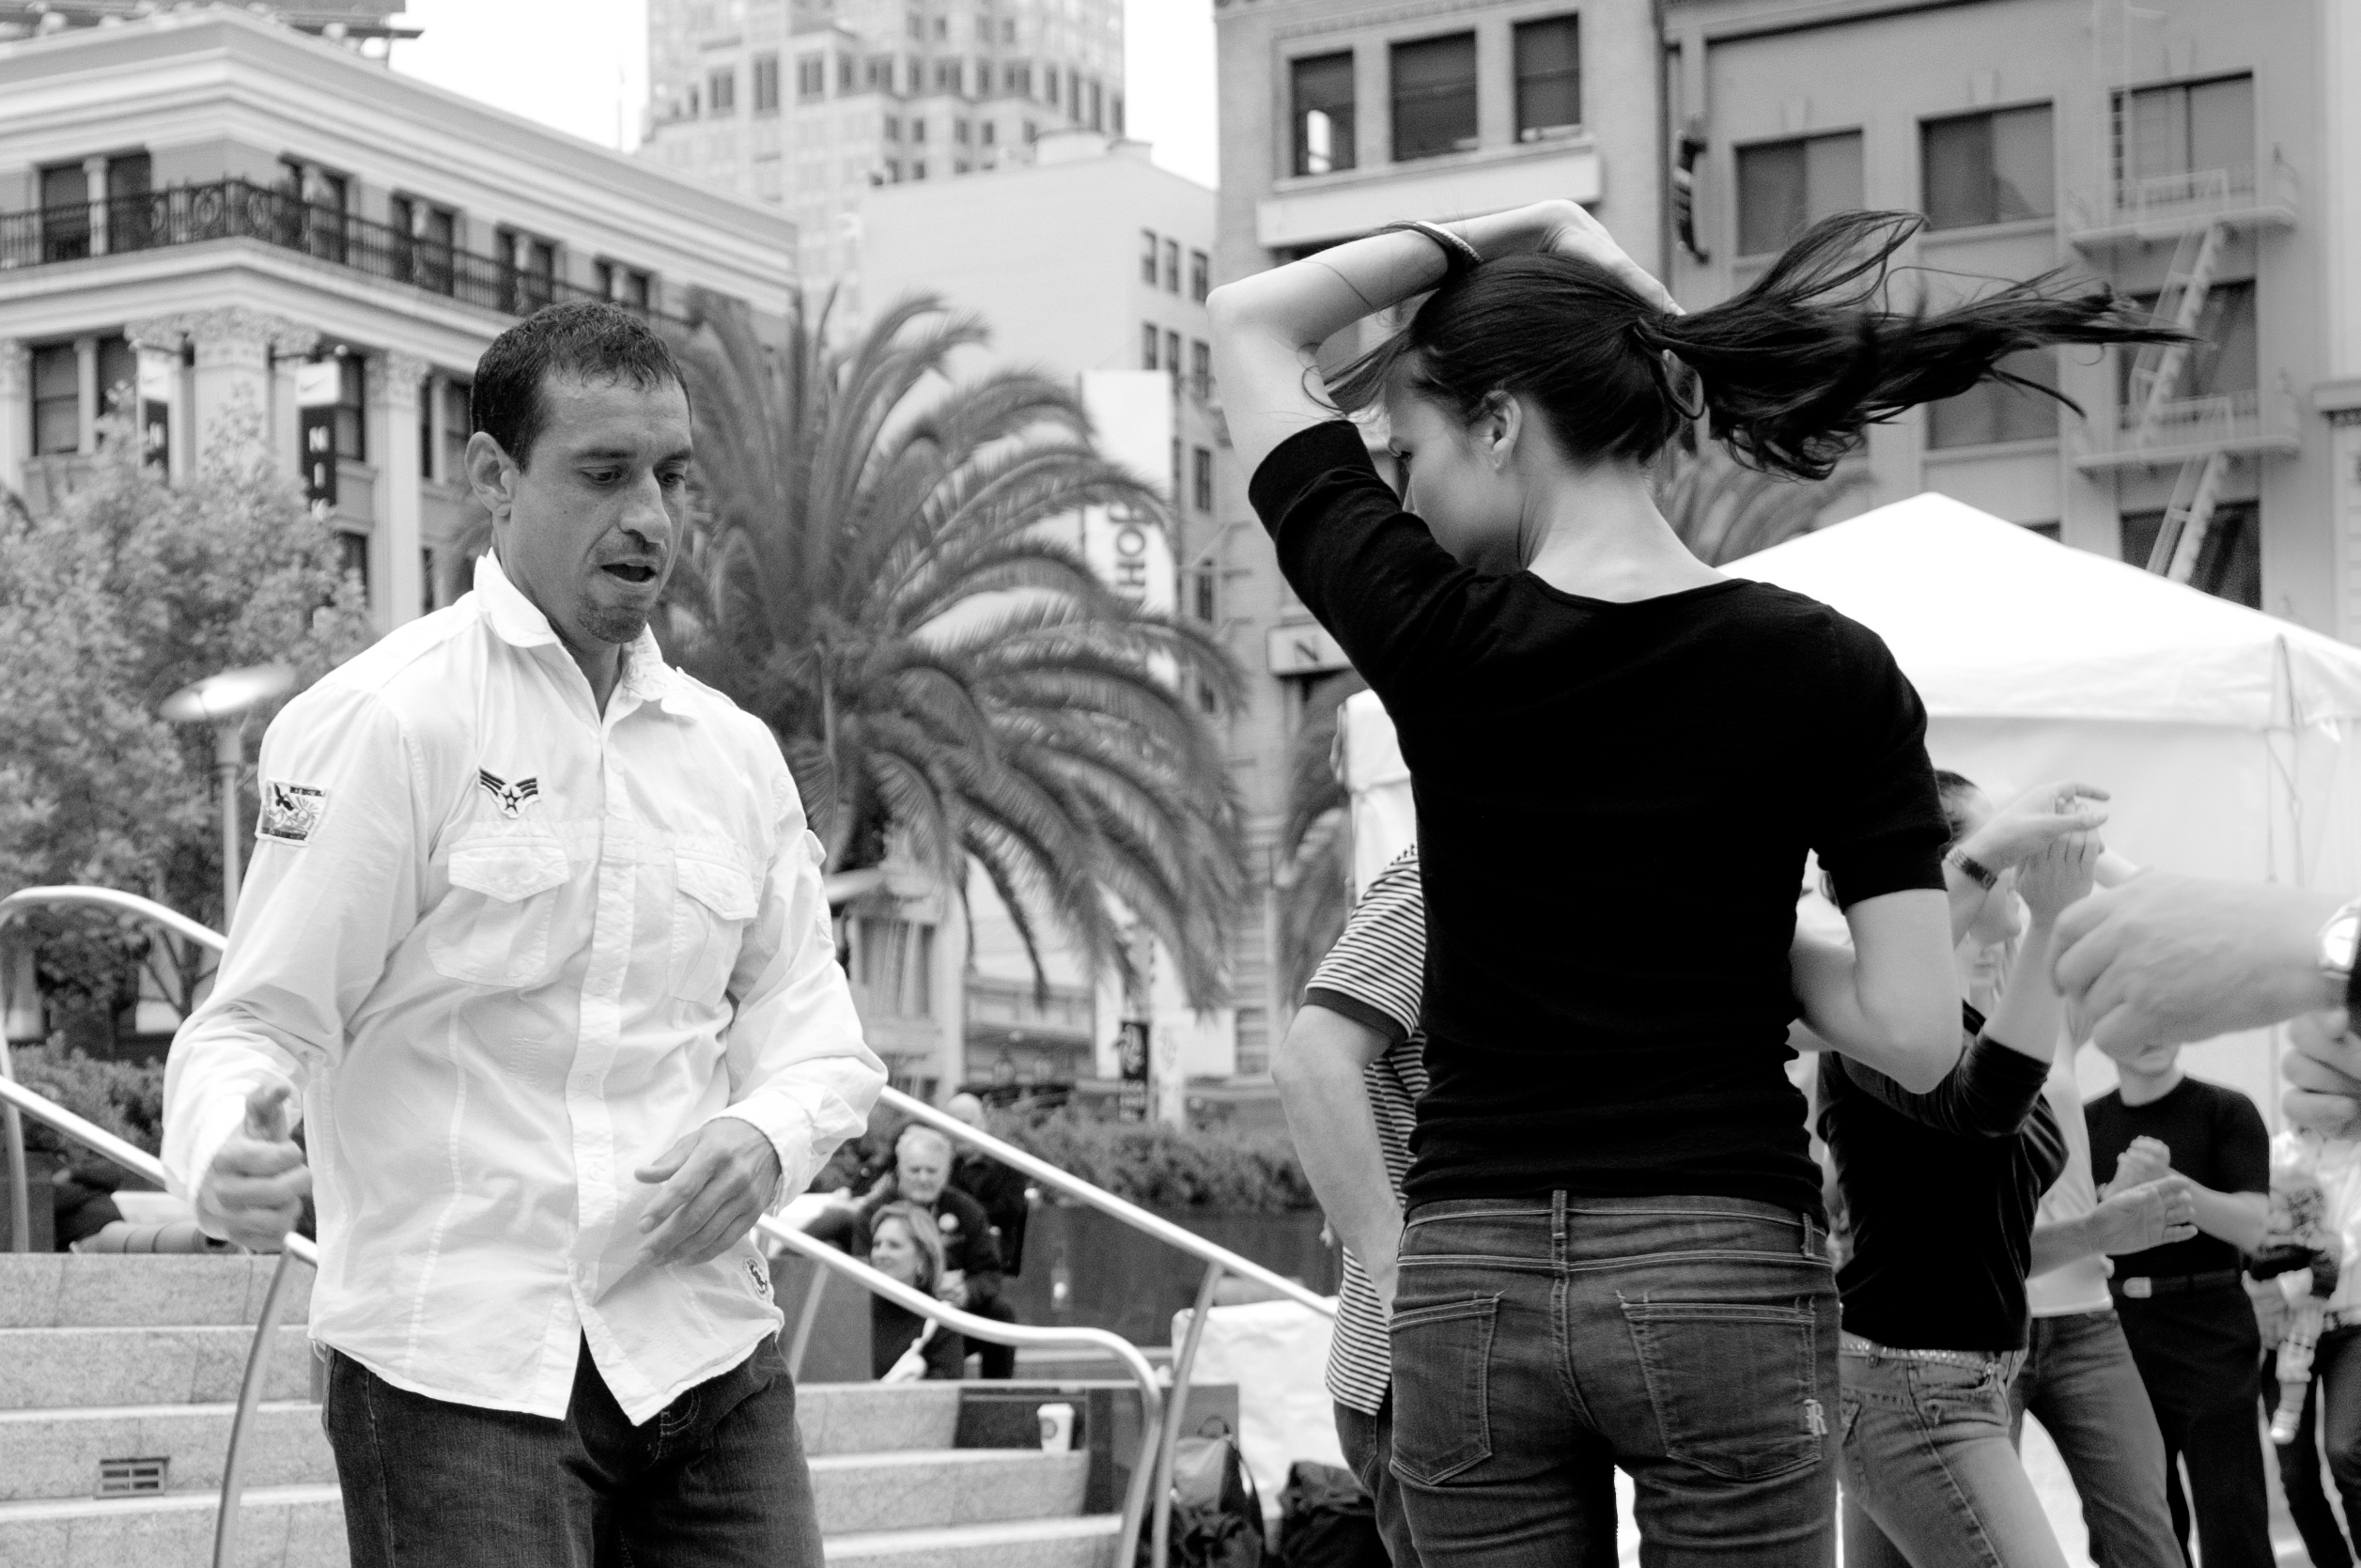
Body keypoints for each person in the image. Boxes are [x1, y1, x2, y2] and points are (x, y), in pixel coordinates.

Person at [1211, 194, 2166, 1562]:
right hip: (1718, 1263)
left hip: (1473, 1265)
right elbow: (1911, 1036)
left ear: (1499, 423)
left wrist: (1517, 229)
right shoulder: (1829, 669)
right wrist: (1729, 937)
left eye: (1409, 450)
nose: (1404, 493)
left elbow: (1251, 320)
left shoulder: (1433, 631)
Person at [161, 301, 885, 1568]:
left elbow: (815, 1035)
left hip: (706, 1358)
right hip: (456, 1371)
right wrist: (221, 1150)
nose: (650, 516)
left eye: (671, 476)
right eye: (604, 473)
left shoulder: (733, 755)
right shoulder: (386, 720)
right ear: (494, 477)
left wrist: (767, 1136)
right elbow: (254, 1022)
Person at [1814, 802, 2094, 1568]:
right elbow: (1989, 1105)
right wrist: (2047, 923)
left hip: (1947, 1374)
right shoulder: (1877, 1026)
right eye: (2001, 837)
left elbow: (1982, 1209)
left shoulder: (1964, 1017)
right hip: (1912, 1375)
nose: (2025, 851)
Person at [1274, 844, 1431, 1568]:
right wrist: (1397, 1270)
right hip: (1413, 1362)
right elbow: (1308, 1063)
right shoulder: (1431, 875)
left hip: (1451, 1343)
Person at [2086, 1035, 2274, 1568]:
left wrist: (2166, 1181)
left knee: (2232, 1512)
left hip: (2211, 1324)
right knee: (2139, 1521)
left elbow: (2252, 1227)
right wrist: (2119, 1191)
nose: (2151, 1034)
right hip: (2116, 1331)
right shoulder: (2083, 1122)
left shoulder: (2226, 1110)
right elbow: (2076, 1240)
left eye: (2163, 1018)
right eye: (2136, 1021)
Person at [2010, 1051, 2192, 1568]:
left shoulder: (2058, 1013)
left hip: (2087, 1321)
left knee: (2146, 1535)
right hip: (1982, 1324)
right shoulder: (1923, 1017)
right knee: (1991, 1543)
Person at [862, 1124, 1017, 1377]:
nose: (923, 1178)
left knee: (1000, 1313)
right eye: (915, 1170)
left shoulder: (967, 1211)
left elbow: (990, 1273)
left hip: (950, 1308)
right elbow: (861, 1269)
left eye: (932, 1170)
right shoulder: (872, 1213)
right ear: (899, 1170)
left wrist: (966, 1290)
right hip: (890, 1309)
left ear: (947, 1172)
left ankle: (998, 1393)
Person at [868, 1201, 967, 1381]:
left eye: (894, 1245)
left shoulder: (940, 1318)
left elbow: (946, 1387)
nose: (880, 1254)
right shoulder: (853, 1309)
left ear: (922, 1257)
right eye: (877, 1244)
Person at [944, 1091, 1033, 1279]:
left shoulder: (1009, 1165)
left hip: (994, 1264)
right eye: (952, 1124)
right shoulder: (942, 1167)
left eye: (966, 1123)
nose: (958, 1131)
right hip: (948, 1261)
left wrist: (962, 1212)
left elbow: (1009, 1211)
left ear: (983, 1123)